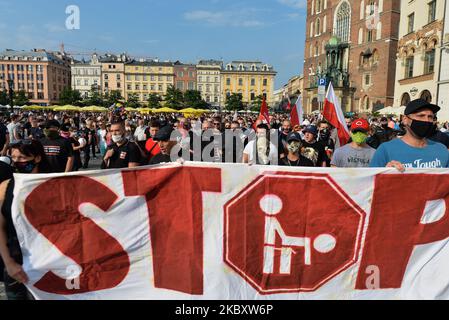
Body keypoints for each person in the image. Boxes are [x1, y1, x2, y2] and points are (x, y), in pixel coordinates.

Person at [0, 140, 50, 300]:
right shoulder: (5, 187)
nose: (16, 162)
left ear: (37, 158)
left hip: (50, 263)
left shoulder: (55, 184)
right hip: (16, 263)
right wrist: (8, 262)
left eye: (21, 157)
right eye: (13, 157)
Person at [370, 99, 449, 170]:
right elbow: (370, 183)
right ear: (405, 119)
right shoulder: (385, 150)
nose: (426, 120)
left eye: (430, 117)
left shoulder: (441, 149)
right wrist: (385, 173)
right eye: (421, 116)